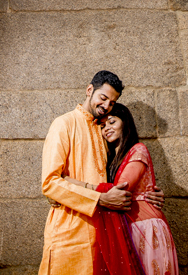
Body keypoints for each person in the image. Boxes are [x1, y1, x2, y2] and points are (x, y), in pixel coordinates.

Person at [39, 71, 164, 275]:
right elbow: (50, 183)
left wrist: (147, 196)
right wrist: (99, 199)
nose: (106, 106)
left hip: (104, 234)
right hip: (70, 232)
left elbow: (121, 175)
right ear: (90, 90)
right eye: (103, 98)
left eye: (112, 103)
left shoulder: (103, 131)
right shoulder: (64, 124)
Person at [96, 103, 179, 275]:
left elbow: (122, 188)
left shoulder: (138, 150)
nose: (106, 129)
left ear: (125, 122)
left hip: (146, 229)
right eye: (103, 126)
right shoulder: (110, 160)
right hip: (127, 228)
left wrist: (78, 186)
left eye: (112, 122)